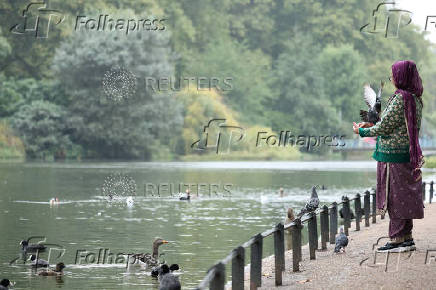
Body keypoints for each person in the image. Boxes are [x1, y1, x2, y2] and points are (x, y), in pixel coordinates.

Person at [353, 60, 424, 252]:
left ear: (401, 76)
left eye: (393, 74)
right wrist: (370, 126)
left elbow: (384, 126)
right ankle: (407, 237)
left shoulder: (400, 98)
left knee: (395, 197)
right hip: (406, 154)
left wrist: (362, 132)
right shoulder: (415, 98)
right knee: (405, 195)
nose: (391, 79)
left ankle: (397, 240)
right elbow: (395, 125)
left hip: (393, 157)